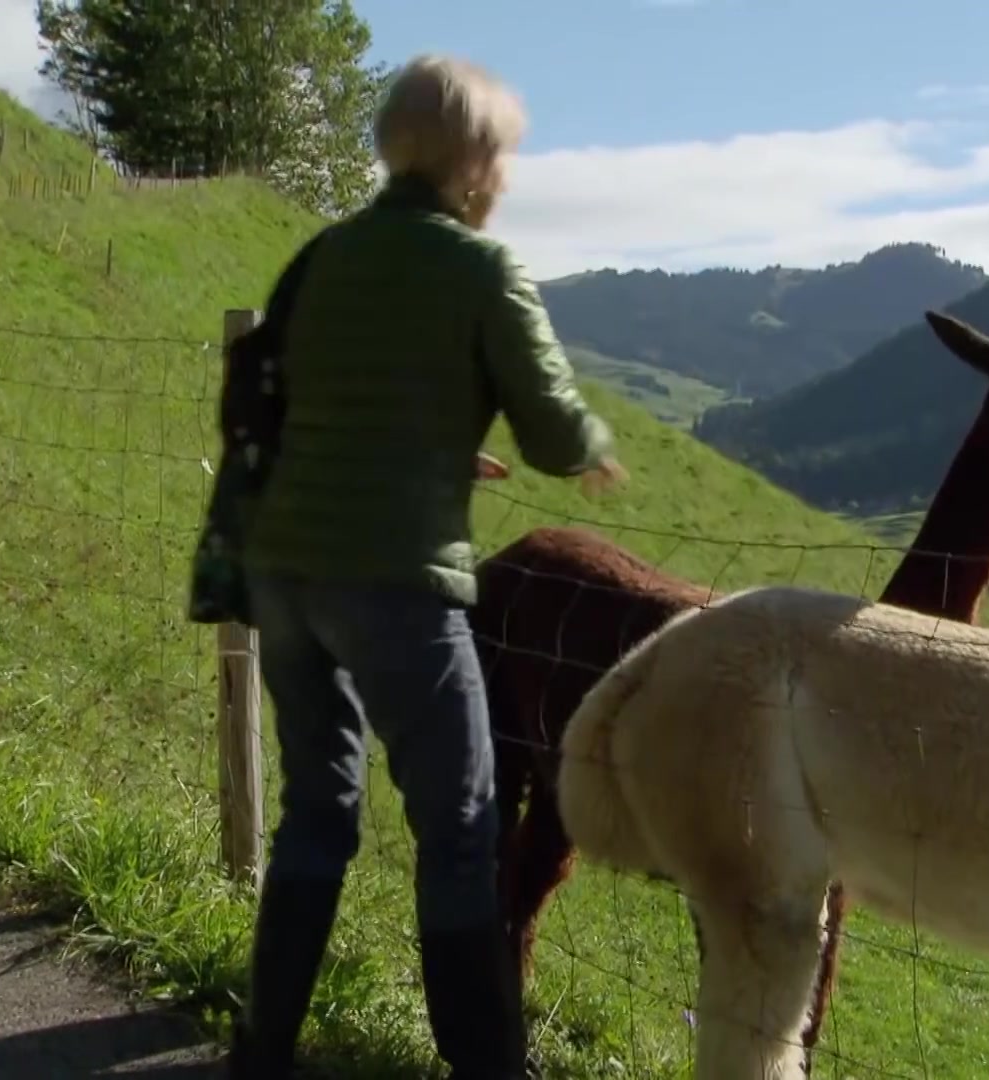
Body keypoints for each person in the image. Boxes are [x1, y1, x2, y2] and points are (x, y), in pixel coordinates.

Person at [209, 54, 625, 1079]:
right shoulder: (480, 270)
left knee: (317, 812)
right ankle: (486, 1069)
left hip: (284, 575)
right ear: (473, 159)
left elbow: (308, 404)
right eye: (507, 156)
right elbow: (551, 429)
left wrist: (435, 446)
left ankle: (261, 1051)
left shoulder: (325, 254)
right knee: (463, 828)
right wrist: (593, 447)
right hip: (397, 584)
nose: (510, 177)